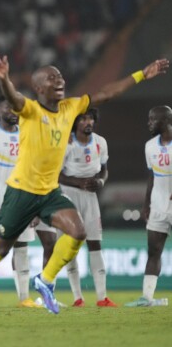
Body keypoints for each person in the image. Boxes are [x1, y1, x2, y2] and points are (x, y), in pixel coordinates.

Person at [0, 52, 169, 329]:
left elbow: (106, 92)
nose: (60, 80)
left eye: (60, 76)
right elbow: (13, 98)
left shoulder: (71, 107)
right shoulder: (31, 109)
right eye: (51, 78)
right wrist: (4, 78)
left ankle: (44, 281)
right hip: (21, 192)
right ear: (39, 88)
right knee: (0, 249)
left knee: (78, 232)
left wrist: (142, 73)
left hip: (49, 192)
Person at [0, 96, 40, 309]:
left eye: (15, 108)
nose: (12, 111)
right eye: (8, 106)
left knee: (22, 249)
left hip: (24, 203)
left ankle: (24, 297)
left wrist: (35, 206)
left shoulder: (27, 134)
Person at [58, 108, 117, 307]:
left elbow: (104, 171)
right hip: (68, 196)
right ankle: (78, 298)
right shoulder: (67, 143)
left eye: (90, 118)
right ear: (75, 123)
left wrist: (100, 182)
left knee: (95, 243)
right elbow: (55, 175)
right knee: (70, 245)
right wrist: (77, 182)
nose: (88, 122)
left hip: (90, 197)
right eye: (83, 119)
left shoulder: (101, 142)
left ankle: (102, 297)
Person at [126, 105, 172, 307]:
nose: (149, 123)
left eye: (153, 119)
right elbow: (151, 176)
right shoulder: (150, 146)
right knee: (154, 251)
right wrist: (146, 204)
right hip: (158, 205)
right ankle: (147, 297)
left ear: (166, 121)